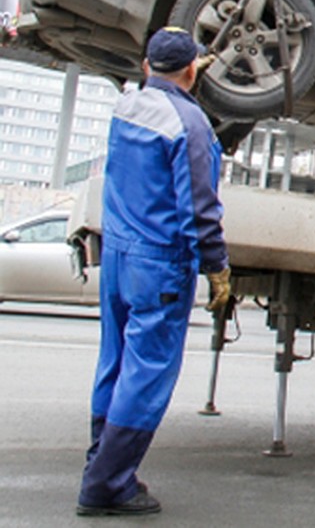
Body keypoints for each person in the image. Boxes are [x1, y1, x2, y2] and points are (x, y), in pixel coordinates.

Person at [77, 27, 231, 517]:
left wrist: (177, 78)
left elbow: (156, 89)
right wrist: (217, 267)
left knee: (116, 363)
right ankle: (107, 485)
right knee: (146, 375)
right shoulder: (192, 126)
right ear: (192, 70)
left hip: (119, 256)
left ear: (146, 67)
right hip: (159, 264)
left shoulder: (127, 107)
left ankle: (101, 461)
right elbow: (199, 209)